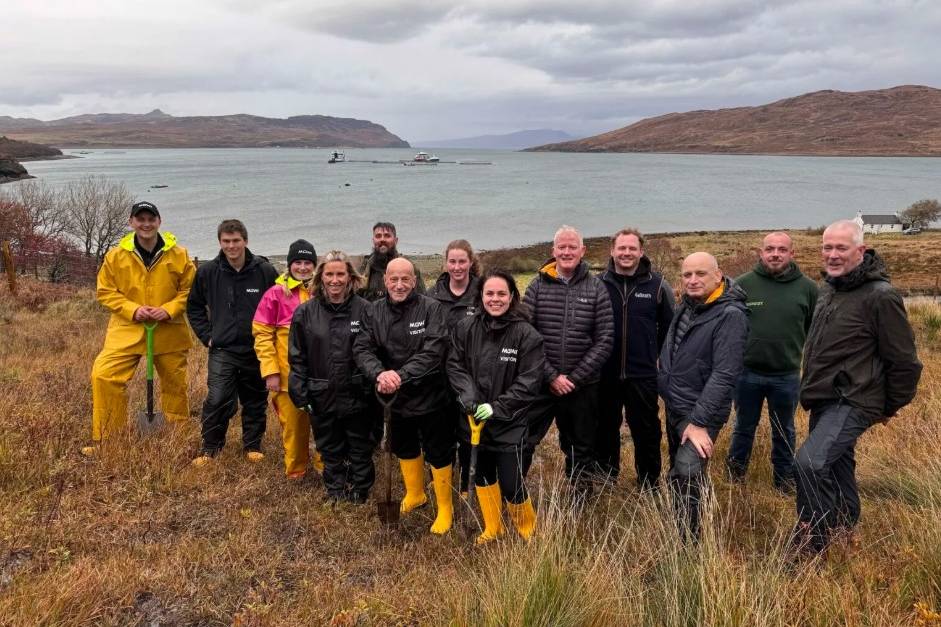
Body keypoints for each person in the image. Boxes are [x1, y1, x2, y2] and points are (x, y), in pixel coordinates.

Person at [794, 220, 921, 555]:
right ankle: (844, 530)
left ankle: (811, 541)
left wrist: (886, 406)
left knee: (810, 463)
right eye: (827, 247)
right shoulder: (830, 288)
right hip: (823, 396)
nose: (832, 255)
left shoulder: (881, 296)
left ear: (860, 251)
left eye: (841, 248)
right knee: (837, 465)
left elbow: (905, 361)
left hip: (852, 399)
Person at [84, 201, 195, 455]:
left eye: (151, 219)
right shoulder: (115, 256)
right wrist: (132, 309)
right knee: (104, 375)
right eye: (140, 219)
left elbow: (190, 290)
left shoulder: (180, 254)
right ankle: (109, 440)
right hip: (126, 328)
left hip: (169, 329)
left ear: (159, 221)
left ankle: (177, 438)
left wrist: (169, 309)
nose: (146, 224)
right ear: (131, 222)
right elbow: (105, 291)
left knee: (175, 384)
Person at [353, 257, 454, 534]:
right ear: (385, 281)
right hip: (393, 397)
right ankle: (416, 493)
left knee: (438, 451)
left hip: (431, 395)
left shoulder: (431, 308)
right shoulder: (373, 312)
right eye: (393, 279)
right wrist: (379, 374)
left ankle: (445, 507)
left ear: (414, 280)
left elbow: (435, 350)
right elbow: (362, 348)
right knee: (404, 446)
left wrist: (401, 375)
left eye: (405, 279)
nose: (399, 285)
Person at [448, 269, 544, 543]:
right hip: (473, 419)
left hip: (509, 423)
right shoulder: (466, 328)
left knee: (512, 483)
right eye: (489, 293)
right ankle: (493, 527)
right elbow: (455, 365)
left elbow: (529, 381)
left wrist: (497, 407)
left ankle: (528, 530)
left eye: (502, 293)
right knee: (482, 476)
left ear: (512, 296)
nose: (495, 299)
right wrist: (468, 398)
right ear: (481, 296)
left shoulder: (526, 335)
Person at [658, 252, 748, 538]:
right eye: (687, 275)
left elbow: (724, 374)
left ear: (718, 276)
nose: (693, 280)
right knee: (681, 468)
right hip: (676, 404)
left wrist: (698, 422)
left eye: (701, 274)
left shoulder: (730, 315)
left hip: (701, 412)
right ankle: (691, 516)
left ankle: (688, 542)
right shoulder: (688, 305)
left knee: (685, 471)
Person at [523, 225, 613, 497]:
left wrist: (573, 378)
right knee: (524, 438)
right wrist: (550, 376)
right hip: (541, 383)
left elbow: (605, 338)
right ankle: (514, 492)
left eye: (572, 247)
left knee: (581, 444)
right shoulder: (537, 285)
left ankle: (580, 497)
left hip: (582, 386)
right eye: (561, 247)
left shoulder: (597, 287)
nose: (566, 252)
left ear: (582, 251)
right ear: (553, 251)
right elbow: (525, 335)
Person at [726, 232, 818, 493]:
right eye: (770, 249)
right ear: (761, 252)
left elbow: (814, 331)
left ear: (792, 253)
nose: (775, 254)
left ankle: (784, 480)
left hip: (786, 376)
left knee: (784, 430)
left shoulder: (809, 289)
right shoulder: (743, 284)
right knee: (743, 426)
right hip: (747, 373)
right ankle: (735, 475)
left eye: (781, 249)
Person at [186, 219, 278, 464]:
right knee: (217, 398)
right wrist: (207, 336)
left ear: (245, 241)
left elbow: (280, 304)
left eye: (236, 240)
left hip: (256, 349)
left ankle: (252, 446)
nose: (231, 246)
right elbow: (194, 306)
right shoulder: (207, 272)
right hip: (223, 349)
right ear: (220, 242)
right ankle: (210, 448)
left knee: (255, 400)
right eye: (226, 241)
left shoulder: (264, 271)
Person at [288, 251, 377, 503]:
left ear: (350, 277)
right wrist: (299, 389)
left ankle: (360, 490)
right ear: (320, 277)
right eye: (329, 274)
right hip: (321, 391)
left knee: (361, 445)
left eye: (340, 274)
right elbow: (297, 356)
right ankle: (335, 490)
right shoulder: (305, 313)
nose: (335, 280)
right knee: (329, 446)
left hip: (358, 393)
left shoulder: (366, 310)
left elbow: (375, 351)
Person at [596, 228, 674, 489]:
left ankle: (649, 482)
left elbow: (669, 329)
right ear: (612, 251)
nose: (626, 253)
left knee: (647, 430)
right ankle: (607, 477)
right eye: (621, 248)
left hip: (643, 374)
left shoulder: (658, 286)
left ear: (641, 252)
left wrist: (659, 359)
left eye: (632, 248)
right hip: (604, 373)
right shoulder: (598, 284)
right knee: (605, 428)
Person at [252, 240, 324, 479]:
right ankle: (296, 471)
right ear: (289, 265)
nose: (303, 267)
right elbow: (262, 335)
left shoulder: (323, 291)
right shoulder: (275, 293)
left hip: (321, 376)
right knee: (294, 428)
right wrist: (270, 371)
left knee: (325, 424)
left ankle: (327, 468)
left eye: (308, 263)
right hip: (286, 377)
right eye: (298, 262)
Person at [428, 239, 482, 494]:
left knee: (466, 434)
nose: (457, 266)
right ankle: (440, 480)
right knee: (439, 434)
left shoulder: (482, 293)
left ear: (471, 262)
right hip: (437, 376)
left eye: (462, 261)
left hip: (470, 376)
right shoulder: (432, 295)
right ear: (445, 263)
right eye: (453, 261)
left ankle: (465, 485)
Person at [358, 221, 426, 301]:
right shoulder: (365, 268)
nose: (382, 239)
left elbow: (422, 300)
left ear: (396, 240)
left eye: (387, 236)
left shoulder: (409, 268)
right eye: (378, 236)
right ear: (373, 240)